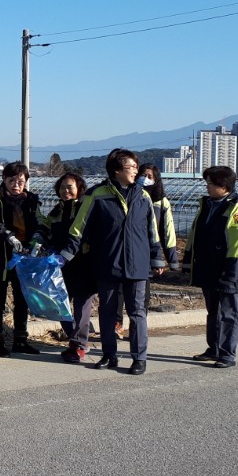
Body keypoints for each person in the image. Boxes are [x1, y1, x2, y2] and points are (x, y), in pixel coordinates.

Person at [60, 149, 165, 375]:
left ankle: (139, 358)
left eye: (136, 167)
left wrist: (157, 259)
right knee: (107, 312)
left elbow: (152, 232)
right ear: (117, 170)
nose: (136, 171)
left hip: (137, 265)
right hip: (107, 263)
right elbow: (79, 228)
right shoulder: (97, 195)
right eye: (131, 167)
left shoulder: (143, 196)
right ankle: (109, 355)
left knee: (137, 313)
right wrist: (65, 256)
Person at [183, 166, 238, 368]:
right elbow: (194, 234)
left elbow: (237, 243)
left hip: (230, 270)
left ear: (224, 186)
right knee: (213, 311)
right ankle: (213, 348)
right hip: (208, 269)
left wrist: (231, 271)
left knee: (229, 314)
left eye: (211, 183)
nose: (208, 187)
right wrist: (188, 261)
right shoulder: (206, 205)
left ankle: (227, 354)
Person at [0, 162, 45, 357]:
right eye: (12, 180)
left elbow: (41, 220)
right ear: (4, 180)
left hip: (24, 258)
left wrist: (39, 234)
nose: (16, 184)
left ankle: (20, 340)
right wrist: (7, 235)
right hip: (1, 256)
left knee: (22, 299)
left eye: (20, 181)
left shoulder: (31, 201)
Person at [113, 162, 180, 338]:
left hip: (145, 254)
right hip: (122, 252)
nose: (145, 179)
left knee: (141, 296)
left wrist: (170, 259)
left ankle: (137, 330)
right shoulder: (127, 197)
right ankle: (117, 325)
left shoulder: (160, 202)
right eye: (142, 175)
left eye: (150, 176)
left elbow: (167, 231)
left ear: (156, 180)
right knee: (118, 292)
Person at [44, 172, 96, 364]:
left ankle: (78, 345)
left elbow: (84, 236)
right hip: (60, 265)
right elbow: (47, 229)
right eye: (62, 187)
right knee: (60, 304)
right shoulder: (56, 211)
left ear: (79, 188)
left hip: (83, 264)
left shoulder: (85, 208)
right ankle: (77, 337)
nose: (65, 190)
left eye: (70, 187)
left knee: (82, 306)